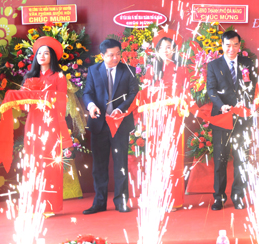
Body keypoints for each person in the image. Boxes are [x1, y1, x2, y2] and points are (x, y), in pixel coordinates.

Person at [82, 38, 139, 214]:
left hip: (119, 123)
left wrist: (121, 109)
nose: (115, 58)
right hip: (99, 123)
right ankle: (99, 202)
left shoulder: (128, 70)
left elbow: (133, 93)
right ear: (102, 55)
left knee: (120, 163)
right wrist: (91, 106)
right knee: (99, 166)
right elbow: (87, 93)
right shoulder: (93, 70)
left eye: (118, 54)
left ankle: (121, 201)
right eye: (111, 55)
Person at [206, 30, 257, 210]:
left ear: (239, 45)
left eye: (235, 45)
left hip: (242, 119)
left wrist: (249, 103)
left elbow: (254, 86)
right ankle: (218, 198)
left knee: (241, 159)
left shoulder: (247, 63)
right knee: (220, 159)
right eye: (228, 45)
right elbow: (211, 90)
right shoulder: (213, 65)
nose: (231, 49)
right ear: (222, 45)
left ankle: (238, 196)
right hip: (222, 117)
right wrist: (221, 106)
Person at [140, 30, 188, 210]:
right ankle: (158, 198)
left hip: (175, 118)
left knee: (174, 157)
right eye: (162, 47)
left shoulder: (181, 70)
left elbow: (186, 93)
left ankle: (174, 199)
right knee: (156, 155)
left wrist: (177, 98)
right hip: (156, 119)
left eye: (169, 47)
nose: (166, 50)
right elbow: (146, 94)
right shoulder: (151, 70)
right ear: (157, 50)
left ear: (174, 50)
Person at [21, 36, 68, 215]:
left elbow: (62, 101)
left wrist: (46, 99)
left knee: (49, 163)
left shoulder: (59, 76)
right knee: (33, 163)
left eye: (46, 53)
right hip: (33, 123)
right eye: (39, 53)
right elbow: (25, 105)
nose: (42, 56)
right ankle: (33, 205)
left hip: (51, 124)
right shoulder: (29, 76)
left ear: (52, 56)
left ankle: (49, 205)